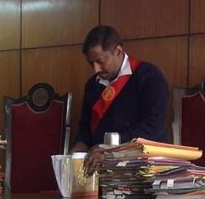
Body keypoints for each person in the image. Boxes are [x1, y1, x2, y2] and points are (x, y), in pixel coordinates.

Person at [70, 25, 169, 172]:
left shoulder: (149, 76)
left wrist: (110, 148)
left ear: (117, 51)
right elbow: (85, 126)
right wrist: (80, 145)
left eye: (100, 61)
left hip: (143, 163)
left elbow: (154, 126)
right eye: (91, 63)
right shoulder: (92, 84)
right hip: (100, 165)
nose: (95, 69)